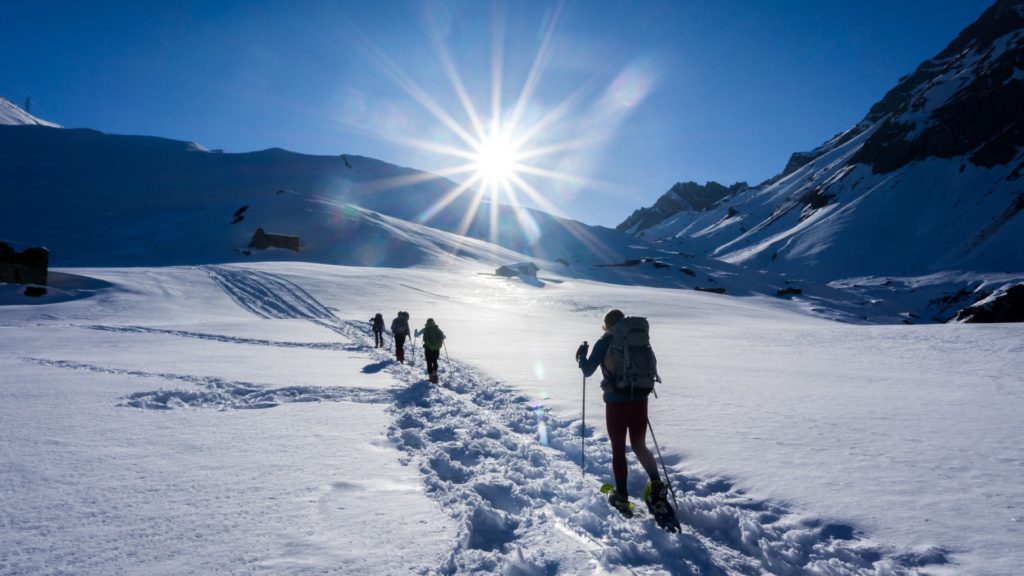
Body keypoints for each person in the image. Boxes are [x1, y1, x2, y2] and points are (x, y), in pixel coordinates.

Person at [577, 308, 666, 517]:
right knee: (639, 445)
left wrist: (581, 357)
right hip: (640, 399)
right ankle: (657, 485)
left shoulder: (605, 341)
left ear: (607, 325)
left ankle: (622, 496)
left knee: (618, 448)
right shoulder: (637, 340)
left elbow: (588, 371)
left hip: (617, 402)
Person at [417, 318, 445, 383]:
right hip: (436, 348)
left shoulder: (425, 329)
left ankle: (431, 378)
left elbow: (416, 335)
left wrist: (415, 332)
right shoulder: (437, 329)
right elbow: (443, 337)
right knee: (435, 361)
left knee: (429, 362)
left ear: (427, 323)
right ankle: (435, 376)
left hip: (428, 348)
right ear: (433, 322)